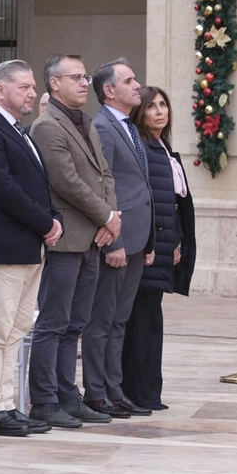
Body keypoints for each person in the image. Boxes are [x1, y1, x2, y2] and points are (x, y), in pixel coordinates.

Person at [0, 60, 60, 438]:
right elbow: (3, 189)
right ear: (0, 89)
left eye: (32, 87)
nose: (32, 93)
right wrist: (45, 222)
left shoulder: (17, 130)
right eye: (23, 87)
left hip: (28, 244)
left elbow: (38, 184)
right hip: (4, 245)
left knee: (18, 327)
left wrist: (53, 219)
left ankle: (7, 404)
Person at [27, 54, 118, 429]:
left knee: (76, 323)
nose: (84, 83)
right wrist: (106, 216)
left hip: (93, 237)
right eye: (76, 77)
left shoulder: (86, 122)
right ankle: (45, 401)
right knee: (53, 322)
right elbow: (65, 181)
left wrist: (112, 217)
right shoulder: (48, 126)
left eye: (85, 77)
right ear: (54, 84)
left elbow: (103, 175)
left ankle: (68, 394)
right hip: (67, 240)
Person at [84, 59, 154, 419]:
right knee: (103, 319)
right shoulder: (103, 127)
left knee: (120, 319)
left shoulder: (128, 126)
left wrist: (150, 239)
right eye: (129, 80)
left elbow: (139, 186)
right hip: (117, 240)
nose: (137, 85)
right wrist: (113, 241)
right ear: (109, 90)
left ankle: (115, 387)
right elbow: (103, 186)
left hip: (138, 239)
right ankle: (96, 391)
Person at [122, 87, 195, 411]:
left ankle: (150, 391)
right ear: (140, 112)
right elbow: (145, 203)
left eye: (163, 105)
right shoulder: (143, 149)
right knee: (140, 321)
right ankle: (137, 392)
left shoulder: (163, 148)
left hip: (162, 249)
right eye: (151, 106)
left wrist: (176, 243)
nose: (159, 111)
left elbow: (173, 205)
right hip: (146, 250)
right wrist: (155, 245)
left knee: (151, 319)